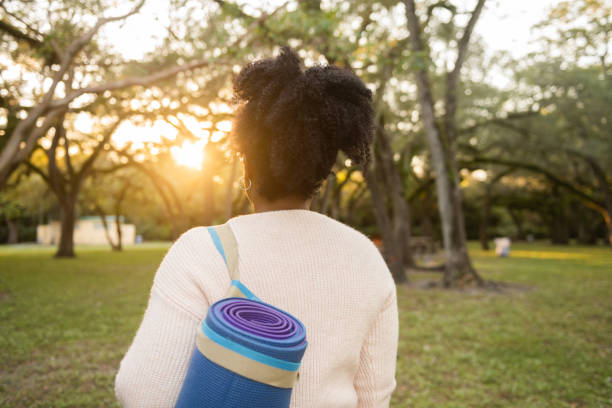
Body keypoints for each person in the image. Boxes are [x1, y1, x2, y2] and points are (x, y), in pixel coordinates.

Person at [114, 46, 399, 408]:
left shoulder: (202, 251)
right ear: (324, 171)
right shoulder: (367, 258)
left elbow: (143, 393)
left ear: (247, 164)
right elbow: (373, 399)